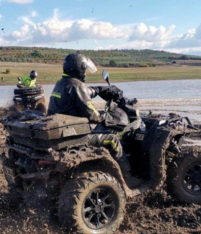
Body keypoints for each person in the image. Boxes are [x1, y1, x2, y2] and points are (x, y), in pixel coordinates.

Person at [48, 53, 137, 185]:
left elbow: (79, 94)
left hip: (62, 133)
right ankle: (127, 178)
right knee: (113, 141)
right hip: (74, 136)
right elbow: (93, 115)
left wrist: (98, 90)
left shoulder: (61, 83)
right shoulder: (78, 85)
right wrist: (110, 117)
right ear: (79, 69)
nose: (85, 73)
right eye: (85, 70)